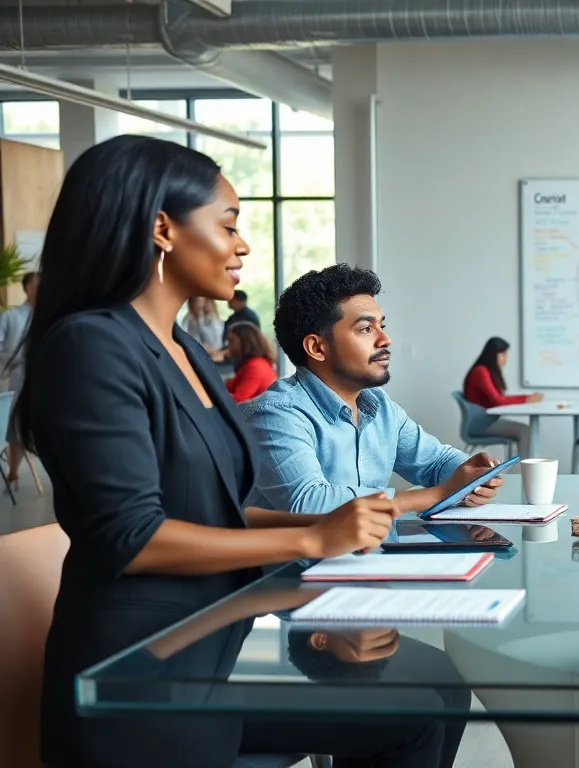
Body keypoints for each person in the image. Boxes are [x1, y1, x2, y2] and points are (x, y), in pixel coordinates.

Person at [21, 135, 447, 767]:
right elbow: (133, 536)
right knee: (412, 710)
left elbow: (214, 511)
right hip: (143, 677)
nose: (243, 244)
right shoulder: (92, 345)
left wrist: (329, 529)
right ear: (162, 229)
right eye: (228, 224)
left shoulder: (185, 349)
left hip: (218, 641)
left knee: (423, 705)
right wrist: (310, 540)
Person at [245, 264, 502, 515]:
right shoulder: (276, 414)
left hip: (370, 555)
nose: (385, 340)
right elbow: (309, 502)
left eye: (382, 326)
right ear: (317, 348)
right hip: (307, 559)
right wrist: (435, 495)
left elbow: (434, 462)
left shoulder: (377, 405)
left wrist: (471, 473)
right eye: (366, 329)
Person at [462, 336, 541, 458]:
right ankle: (524, 470)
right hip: (481, 424)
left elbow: (500, 398)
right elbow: (498, 401)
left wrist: (527, 397)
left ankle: (521, 469)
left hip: (487, 421)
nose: (505, 359)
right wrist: (526, 399)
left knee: (524, 429)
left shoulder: (485, 371)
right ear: (493, 354)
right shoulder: (481, 371)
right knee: (525, 430)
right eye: (503, 354)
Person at [0, 270, 37, 487]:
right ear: (26, 288)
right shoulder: (11, 317)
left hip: (44, 377)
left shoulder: (48, 316)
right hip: (17, 377)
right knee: (17, 424)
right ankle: (13, 470)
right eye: (35, 285)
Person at [224, 322, 278, 403]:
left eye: (232, 341)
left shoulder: (255, 367)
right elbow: (229, 385)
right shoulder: (253, 363)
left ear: (245, 342)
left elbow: (237, 400)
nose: (228, 346)